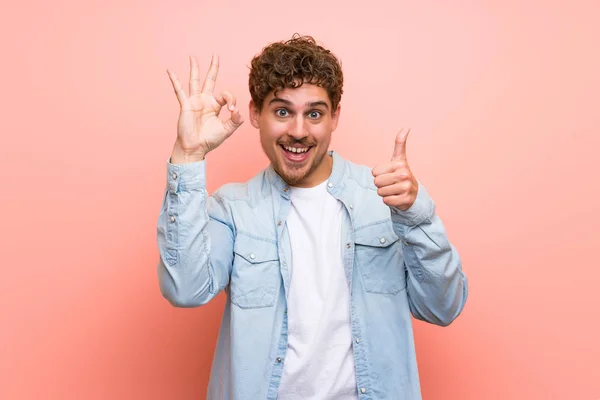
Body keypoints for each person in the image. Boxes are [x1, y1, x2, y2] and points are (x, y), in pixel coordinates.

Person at [157, 34, 468, 400]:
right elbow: (184, 289)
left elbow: (442, 308)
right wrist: (188, 155)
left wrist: (417, 217)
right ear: (256, 114)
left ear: (335, 117)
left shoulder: (385, 201)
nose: (299, 131)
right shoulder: (233, 209)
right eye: (283, 111)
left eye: (315, 113)